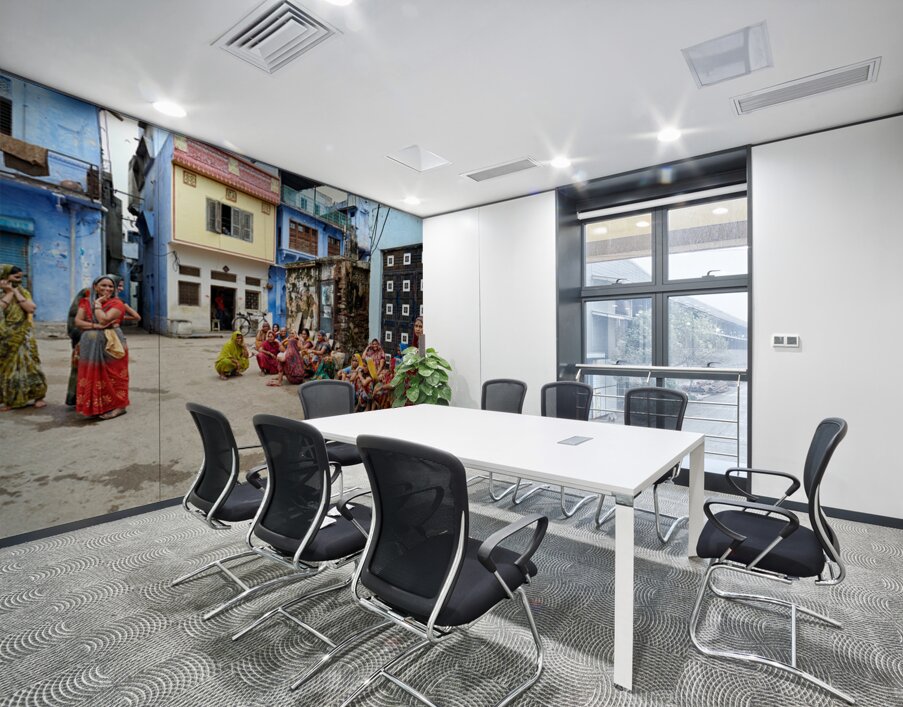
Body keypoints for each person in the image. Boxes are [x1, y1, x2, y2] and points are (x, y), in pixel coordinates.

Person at [74, 274, 129, 419]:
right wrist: (94, 326)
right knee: (91, 374)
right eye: (103, 285)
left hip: (112, 342)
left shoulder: (117, 303)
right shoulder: (85, 302)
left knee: (114, 374)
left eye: (111, 286)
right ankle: (95, 406)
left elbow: (104, 320)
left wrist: (98, 306)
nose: (107, 289)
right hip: (89, 343)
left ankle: (119, 406)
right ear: (95, 287)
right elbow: (78, 321)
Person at [0, 264, 48, 411]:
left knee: (31, 365)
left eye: (21, 278)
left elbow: (31, 308)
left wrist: (15, 291)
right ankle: (9, 400)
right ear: (4, 277)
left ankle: (38, 396)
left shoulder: (23, 292)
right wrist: (8, 292)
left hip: (24, 335)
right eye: (15, 277)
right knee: (8, 368)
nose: (19, 281)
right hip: (5, 335)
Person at [65, 286, 90, 406]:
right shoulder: (88, 296)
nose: (120, 288)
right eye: (119, 285)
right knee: (82, 368)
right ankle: (78, 398)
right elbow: (76, 321)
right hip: (83, 337)